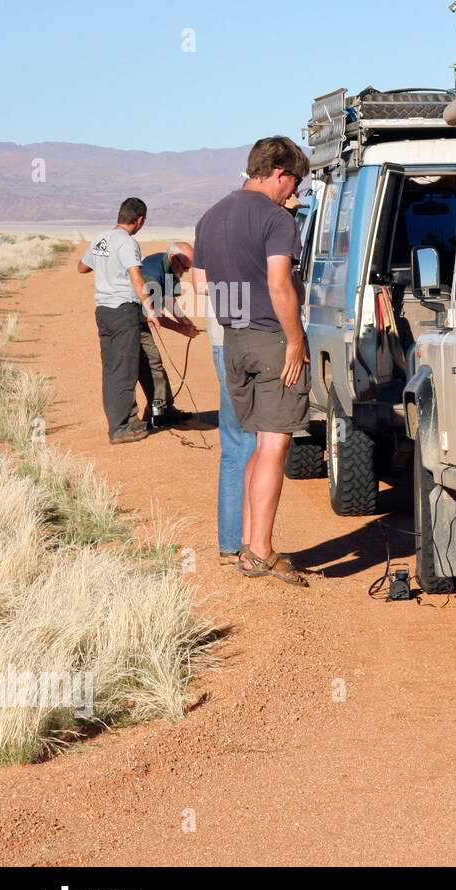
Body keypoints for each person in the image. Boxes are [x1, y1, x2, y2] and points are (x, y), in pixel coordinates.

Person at [193, 136, 310, 586]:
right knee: (275, 445)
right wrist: (294, 340)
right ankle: (260, 551)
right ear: (280, 172)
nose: (293, 193)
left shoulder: (212, 215)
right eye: (294, 182)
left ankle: (247, 546)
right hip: (270, 340)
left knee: (254, 445)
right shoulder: (275, 219)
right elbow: (281, 286)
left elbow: (203, 285)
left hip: (235, 342)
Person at [77, 197, 160, 444]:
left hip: (103, 311)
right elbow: (136, 277)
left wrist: (104, 265)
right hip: (123, 311)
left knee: (112, 368)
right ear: (140, 220)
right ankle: (120, 428)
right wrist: (150, 309)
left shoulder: (102, 238)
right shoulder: (127, 242)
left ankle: (128, 420)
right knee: (124, 370)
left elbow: (82, 267)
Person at [138, 241, 199, 428]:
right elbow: (154, 314)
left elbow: (170, 301)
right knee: (152, 363)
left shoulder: (170, 267)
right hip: (131, 320)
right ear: (174, 259)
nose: (187, 271)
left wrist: (187, 323)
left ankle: (165, 408)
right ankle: (156, 413)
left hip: (142, 318)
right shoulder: (153, 274)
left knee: (152, 363)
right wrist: (182, 330)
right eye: (186, 267)